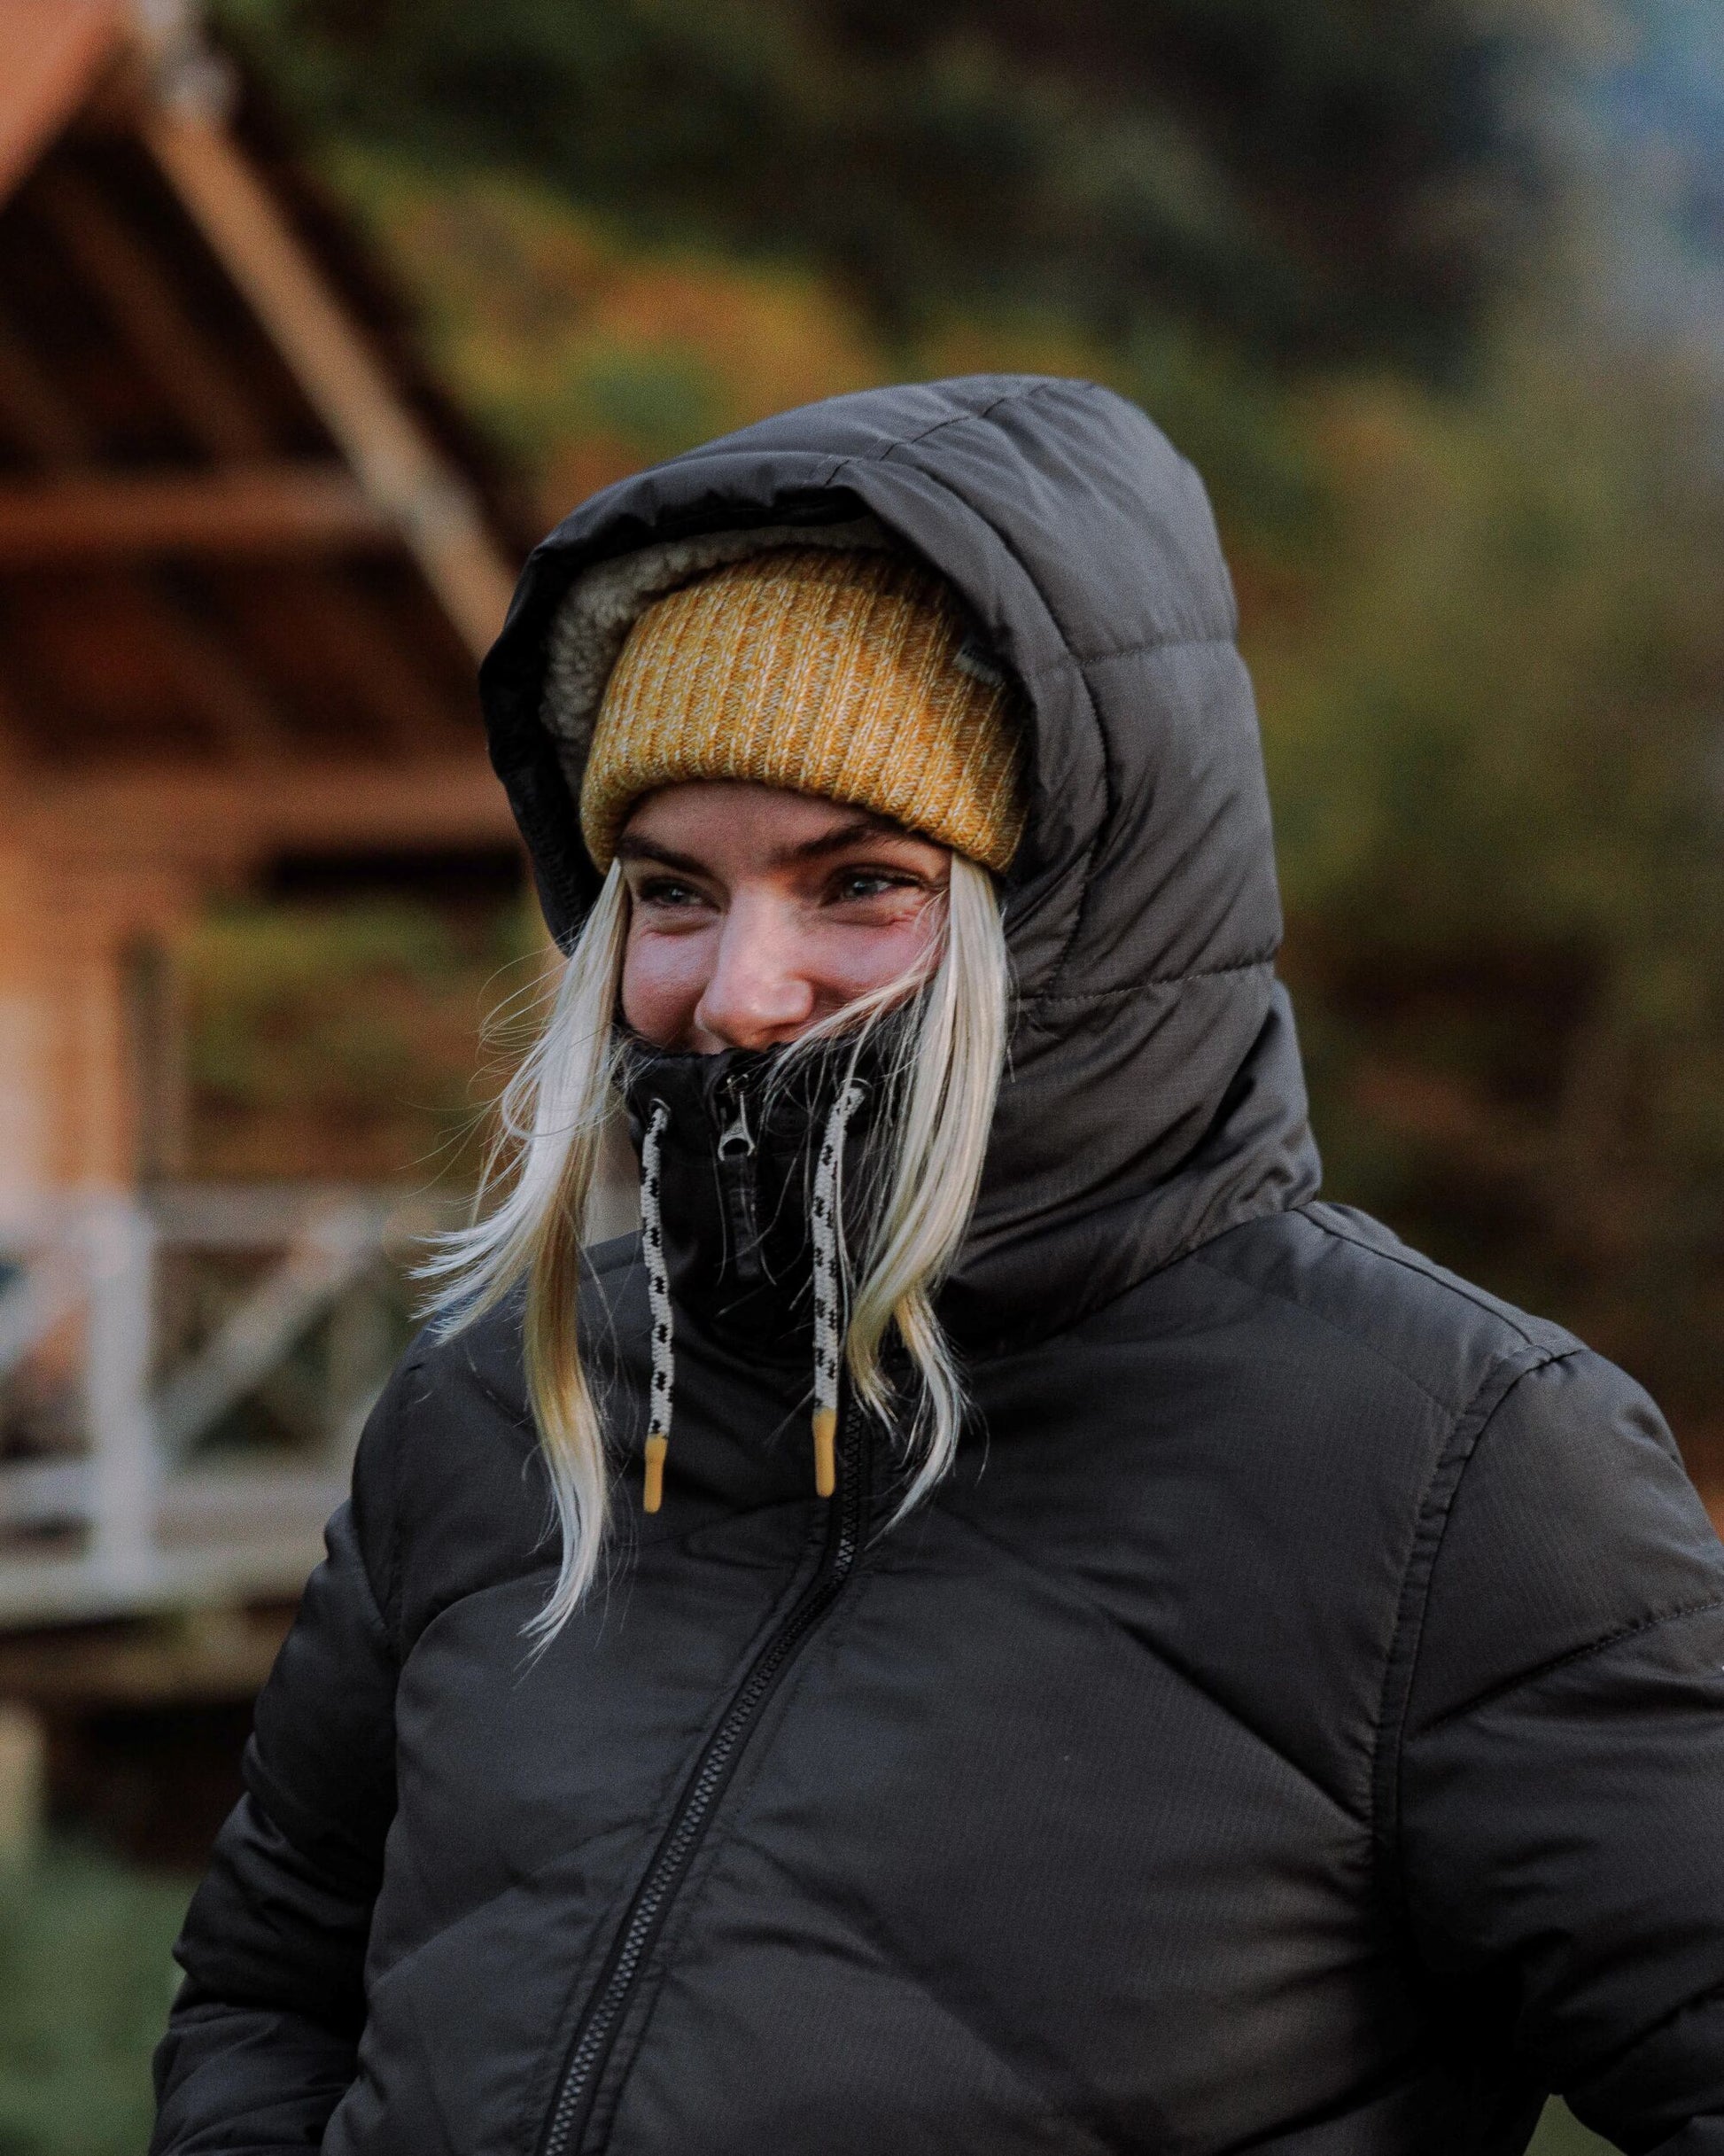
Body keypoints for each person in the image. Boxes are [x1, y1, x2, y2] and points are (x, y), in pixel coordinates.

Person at [151, 377, 1724, 2156]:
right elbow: (270, 1995)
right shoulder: (497, 1409)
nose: (740, 990)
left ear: (1075, 914)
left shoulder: (1453, 1471)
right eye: (670, 889)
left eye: (861, 881)